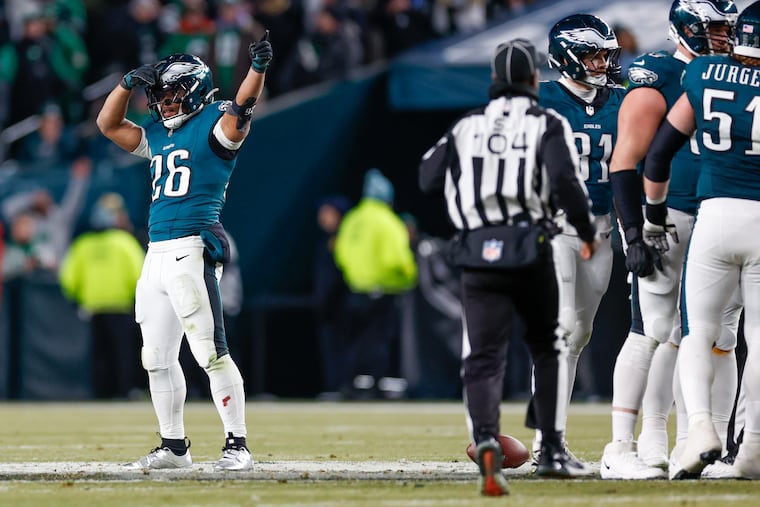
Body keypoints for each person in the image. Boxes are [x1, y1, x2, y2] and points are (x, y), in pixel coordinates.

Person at [419, 38, 598, 496]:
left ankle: (484, 441)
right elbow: (564, 180)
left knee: (482, 357)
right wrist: (587, 231)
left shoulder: (467, 126)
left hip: (478, 251)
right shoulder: (546, 122)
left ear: (494, 81)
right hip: (530, 246)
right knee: (547, 347)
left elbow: (427, 176)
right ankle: (552, 447)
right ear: (534, 79)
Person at [95, 30, 273, 470]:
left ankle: (238, 445)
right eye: (159, 95)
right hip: (155, 254)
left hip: (191, 248)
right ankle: (174, 447)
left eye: (171, 93)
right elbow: (108, 124)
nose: (164, 102)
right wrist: (126, 84)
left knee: (211, 351)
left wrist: (257, 68)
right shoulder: (157, 133)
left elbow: (243, 107)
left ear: (194, 89)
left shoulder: (215, 122)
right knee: (155, 357)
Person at [601, 0, 740, 480]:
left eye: (728, 28)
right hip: (670, 214)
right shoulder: (658, 73)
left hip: (720, 214)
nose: (724, 36)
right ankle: (628, 444)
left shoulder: (734, 70)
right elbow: (626, 159)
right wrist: (635, 229)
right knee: (656, 329)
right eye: (715, 28)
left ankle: (704, 443)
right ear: (686, 29)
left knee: (719, 334)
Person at [642, 0, 760, 479]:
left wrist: (652, 215)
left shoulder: (707, 71)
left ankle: (699, 432)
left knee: (697, 333)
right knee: (755, 339)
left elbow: (659, 154)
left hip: (713, 216)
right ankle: (751, 448)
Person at [531, 13, 624, 468]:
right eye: (592, 53)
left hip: (602, 228)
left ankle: (554, 435)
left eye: (606, 53)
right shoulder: (543, 99)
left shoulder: (621, 100)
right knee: (562, 326)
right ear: (566, 55)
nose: (602, 62)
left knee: (579, 334)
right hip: (557, 228)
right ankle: (548, 438)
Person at [333, 169, 417, 399]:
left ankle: (349, 384)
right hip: (384, 290)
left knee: (356, 340)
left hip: (355, 290)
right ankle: (375, 386)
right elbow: (397, 259)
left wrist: (355, 273)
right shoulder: (388, 222)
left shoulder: (352, 219)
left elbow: (340, 253)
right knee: (379, 341)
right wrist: (410, 277)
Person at [59, 192, 146, 399]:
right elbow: (140, 273)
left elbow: (69, 278)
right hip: (122, 307)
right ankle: (124, 391)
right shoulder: (125, 242)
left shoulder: (82, 245)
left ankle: (101, 393)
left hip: (93, 308)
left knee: (99, 354)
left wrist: (79, 298)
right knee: (123, 352)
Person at [313, 194, 352, 399]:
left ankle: (342, 386)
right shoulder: (328, 240)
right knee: (331, 346)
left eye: (327, 212)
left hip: (341, 304)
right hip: (329, 305)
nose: (322, 217)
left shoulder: (344, 238)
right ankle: (335, 386)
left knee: (342, 346)